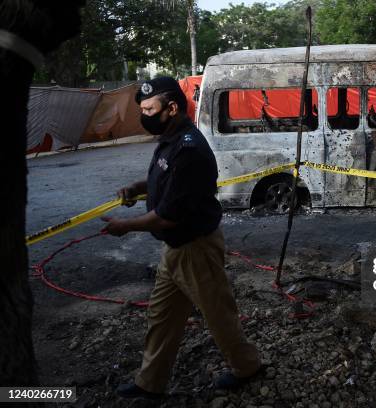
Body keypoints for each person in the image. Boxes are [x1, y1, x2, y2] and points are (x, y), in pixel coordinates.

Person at [101, 77, 261, 399]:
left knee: (218, 315)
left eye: (148, 109)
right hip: (175, 250)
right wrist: (136, 187)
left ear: (171, 108)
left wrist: (125, 225)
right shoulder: (171, 140)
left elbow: (166, 216)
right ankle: (150, 382)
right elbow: (163, 181)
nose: (143, 115)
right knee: (161, 317)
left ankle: (248, 367)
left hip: (195, 249)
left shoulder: (189, 150)